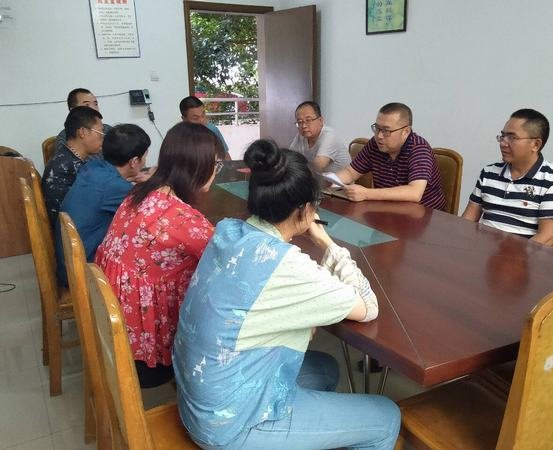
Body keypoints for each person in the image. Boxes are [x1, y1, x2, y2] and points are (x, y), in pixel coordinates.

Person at [172, 139, 401, 450]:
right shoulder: (285, 266)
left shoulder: (228, 231)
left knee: (326, 368)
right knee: (386, 416)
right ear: (305, 209)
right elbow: (368, 307)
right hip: (230, 426)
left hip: (200, 397)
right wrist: (327, 242)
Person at [94, 122, 225, 388]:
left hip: (109, 327)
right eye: (215, 164)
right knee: (222, 296)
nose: (215, 171)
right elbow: (229, 262)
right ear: (198, 167)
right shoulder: (181, 219)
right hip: (143, 358)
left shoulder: (140, 193)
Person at [54, 124, 150, 287]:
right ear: (134, 161)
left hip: (69, 263)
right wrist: (154, 182)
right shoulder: (116, 188)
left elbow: (109, 187)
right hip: (85, 272)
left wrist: (131, 179)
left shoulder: (93, 167)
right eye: (145, 157)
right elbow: (150, 209)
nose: (145, 161)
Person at [462, 109, 553, 246]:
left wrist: (506, 257)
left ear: (536, 144)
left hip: (523, 257)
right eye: (502, 136)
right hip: (480, 252)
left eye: (512, 138)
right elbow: (467, 221)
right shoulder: (489, 172)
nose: (503, 143)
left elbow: (546, 239)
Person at [335, 102, 446, 210]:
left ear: (406, 131)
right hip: (386, 209)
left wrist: (366, 193)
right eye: (377, 128)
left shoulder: (418, 148)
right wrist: (331, 180)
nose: (379, 136)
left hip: (423, 214)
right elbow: (351, 172)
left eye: (386, 131)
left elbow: (414, 192)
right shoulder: (375, 144)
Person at [42, 106, 105, 228]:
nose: (103, 139)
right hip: (71, 233)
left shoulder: (65, 158)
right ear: (82, 132)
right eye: (100, 134)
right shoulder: (68, 168)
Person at [289, 101, 351, 172]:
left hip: (340, 178)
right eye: (300, 122)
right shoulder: (301, 136)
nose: (304, 126)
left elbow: (318, 167)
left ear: (321, 121)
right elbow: (290, 160)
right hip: (319, 178)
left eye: (308, 120)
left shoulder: (330, 136)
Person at [55, 88, 111, 158]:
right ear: (73, 110)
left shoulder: (108, 129)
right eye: (87, 105)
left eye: (95, 104)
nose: (94, 109)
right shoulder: (64, 139)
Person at [180, 95, 231, 159]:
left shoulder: (212, 130)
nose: (202, 120)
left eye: (203, 115)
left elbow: (225, 156)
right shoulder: (178, 138)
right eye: (195, 118)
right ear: (184, 119)